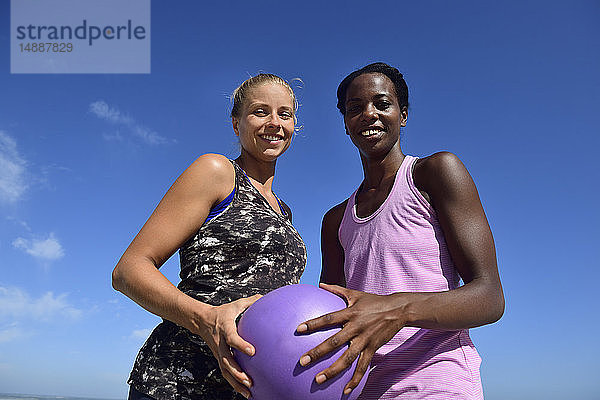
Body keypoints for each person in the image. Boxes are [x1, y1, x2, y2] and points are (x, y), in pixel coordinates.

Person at [296, 63, 504, 399]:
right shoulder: (335, 220)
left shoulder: (434, 173)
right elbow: (335, 314)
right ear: (346, 125)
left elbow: (490, 297)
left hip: (436, 381)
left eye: (382, 104)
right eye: (355, 108)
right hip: (359, 388)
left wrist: (396, 309)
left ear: (402, 115)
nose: (368, 114)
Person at [112, 73, 306, 400]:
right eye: (260, 111)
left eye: (284, 114)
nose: (274, 122)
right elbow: (129, 270)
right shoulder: (216, 172)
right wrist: (208, 320)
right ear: (236, 124)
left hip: (247, 388)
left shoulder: (284, 212)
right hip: (178, 381)